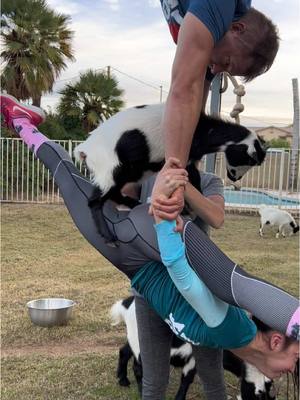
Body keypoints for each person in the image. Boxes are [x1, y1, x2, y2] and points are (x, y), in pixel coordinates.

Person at [1, 95, 299, 382]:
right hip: (148, 239)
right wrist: (162, 220)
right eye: (296, 360)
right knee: (235, 282)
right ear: (275, 341)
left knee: (65, 175)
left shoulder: (239, 340)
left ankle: (21, 122)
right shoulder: (238, 333)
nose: (293, 370)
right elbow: (185, 279)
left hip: (133, 255)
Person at [154, 1, 280, 217]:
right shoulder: (220, 3)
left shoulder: (211, 54)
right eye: (228, 62)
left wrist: (188, 173)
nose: (217, 69)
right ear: (236, 29)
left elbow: (194, 120)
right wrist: (172, 182)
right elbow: (183, 92)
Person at [131, 171, 227, 399]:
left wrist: (182, 183)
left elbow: (217, 217)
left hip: (198, 299)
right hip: (151, 293)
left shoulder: (208, 181)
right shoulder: (146, 177)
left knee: (212, 379)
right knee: (154, 382)